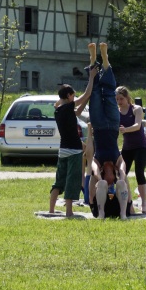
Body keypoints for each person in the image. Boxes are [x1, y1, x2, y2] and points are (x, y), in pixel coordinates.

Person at [48, 71, 95, 217]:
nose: (74, 98)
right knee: (71, 180)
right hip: (74, 150)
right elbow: (86, 94)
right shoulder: (68, 107)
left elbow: (78, 110)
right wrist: (91, 77)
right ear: (68, 96)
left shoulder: (58, 110)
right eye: (73, 96)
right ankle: (69, 212)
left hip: (63, 149)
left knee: (59, 180)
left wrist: (86, 99)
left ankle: (51, 210)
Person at [116, 85, 146, 214]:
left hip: (140, 146)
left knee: (139, 173)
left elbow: (137, 125)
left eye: (121, 99)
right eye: (117, 99)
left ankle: (144, 204)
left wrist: (125, 129)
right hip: (127, 147)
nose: (119, 102)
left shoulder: (136, 109)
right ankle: (125, 201)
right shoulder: (117, 112)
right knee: (121, 173)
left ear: (127, 97)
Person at [91, 154, 130, 220]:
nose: (108, 163)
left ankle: (123, 215)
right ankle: (101, 215)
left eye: (111, 165)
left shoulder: (120, 175)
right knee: (102, 183)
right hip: (102, 208)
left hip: (118, 208)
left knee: (122, 183)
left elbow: (122, 170)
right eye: (106, 164)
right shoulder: (97, 179)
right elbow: (91, 197)